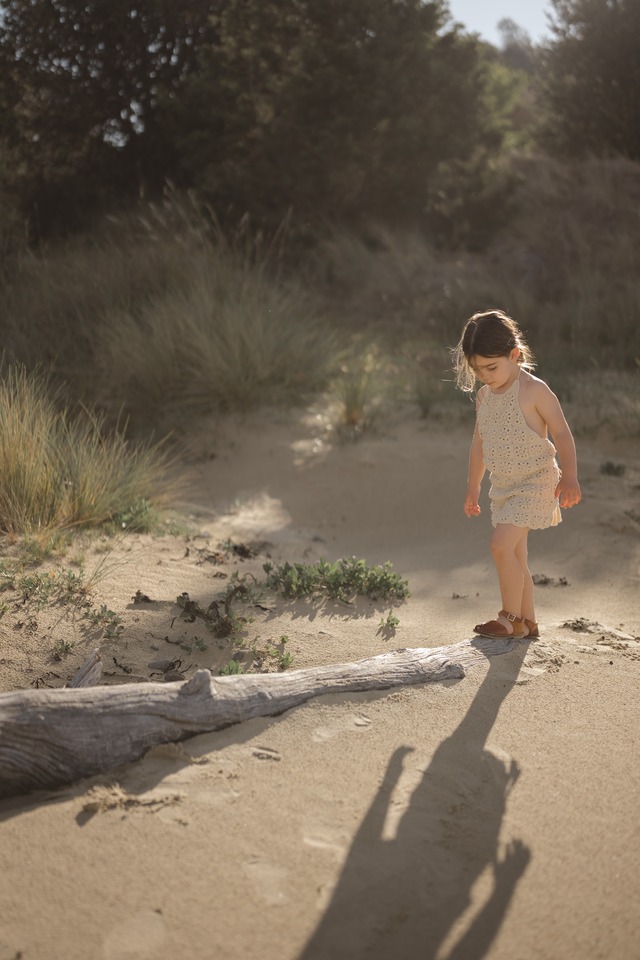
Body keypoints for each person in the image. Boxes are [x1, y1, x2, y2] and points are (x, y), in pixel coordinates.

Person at [452, 309, 581, 639]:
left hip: (537, 482)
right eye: (477, 369)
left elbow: (562, 433)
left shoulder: (533, 390)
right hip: (505, 487)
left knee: (500, 546)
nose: (484, 376)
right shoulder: (484, 396)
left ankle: (508, 618)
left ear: (515, 355)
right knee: (516, 555)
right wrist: (473, 487)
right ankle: (528, 622)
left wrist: (570, 476)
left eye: (491, 367)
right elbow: (479, 444)